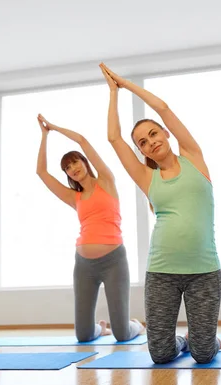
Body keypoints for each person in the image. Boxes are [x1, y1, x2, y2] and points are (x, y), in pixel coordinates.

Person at [99, 63, 221, 364]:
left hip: (204, 272)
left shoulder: (194, 157)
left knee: (204, 354)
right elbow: (114, 138)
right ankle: (184, 340)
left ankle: (206, 341)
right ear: (142, 151)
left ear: (165, 134)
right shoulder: (146, 177)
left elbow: (164, 107)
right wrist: (113, 94)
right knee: (160, 354)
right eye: (143, 142)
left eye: (153, 134)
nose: (151, 142)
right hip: (162, 272)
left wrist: (127, 84)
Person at [35, 113, 144, 342]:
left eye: (75, 162)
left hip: (114, 260)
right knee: (83, 336)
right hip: (84, 265)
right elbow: (42, 173)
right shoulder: (74, 197)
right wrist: (44, 137)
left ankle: (135, 324)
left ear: (84, 162)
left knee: (122, 334)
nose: (72, 168)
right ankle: (99, 329)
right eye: (67, 167)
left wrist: (53, 126)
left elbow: (83, 141)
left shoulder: (106, 181)